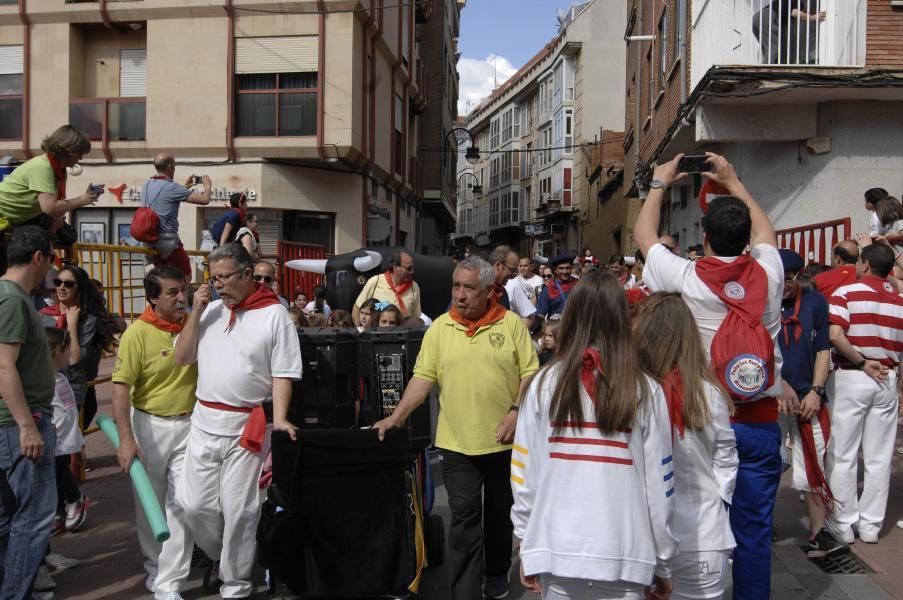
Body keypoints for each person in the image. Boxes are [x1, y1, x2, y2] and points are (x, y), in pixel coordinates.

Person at [634, 152, 784, 600]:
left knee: (699, 516)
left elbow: (644, 233)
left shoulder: (686, 277)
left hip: (701, 417)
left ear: (703, 235)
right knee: (755, 533)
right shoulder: (770, 274)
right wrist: (734, 181)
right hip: (760, 420)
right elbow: (767, 232)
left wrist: (660, 182)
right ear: (746, 239)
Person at [373, 256, 538, 600]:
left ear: (490, 290)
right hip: (456, 444)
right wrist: (396, 416)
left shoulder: (511, 325)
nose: (460, 295)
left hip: (505, 443)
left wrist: (515, 411)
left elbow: (530, 372)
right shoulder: (440, 328)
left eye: (469, 288)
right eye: (456, 286)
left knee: (498, 515)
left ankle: (495, 572)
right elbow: (422, 378)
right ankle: (464, 589)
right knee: (463, 518)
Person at [511, 272, 676, 600]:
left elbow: (523, 474)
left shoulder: (544, 383)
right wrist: (662, 560)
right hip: (625, 550)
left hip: (556, 546)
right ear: (621, 318)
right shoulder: (646, 388)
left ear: (571, 317)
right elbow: (661, 484)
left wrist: (527, 541)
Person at [173, 243, 302, 598]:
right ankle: (220, 557)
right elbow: (182, 359)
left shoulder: (274, 314)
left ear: (247, 275)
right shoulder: (210, 310)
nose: (218, 286)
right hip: (204, 421)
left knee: (241, 510)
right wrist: (196, 310)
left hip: (247, 425)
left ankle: (236, 584)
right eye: (214, 279)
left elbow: (283, 373)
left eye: (225, 278)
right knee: (194, 504)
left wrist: (281, 418)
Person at [633, 292, 737, 600]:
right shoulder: (709, 392)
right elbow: (727, 458)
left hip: (647, 537)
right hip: (704, 534)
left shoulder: (633, 393)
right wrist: (714, 498)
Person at [111, 266, 199, 598]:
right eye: (172, 292)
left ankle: (170, 580)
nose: (181, 297)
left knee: (184, 503)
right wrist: (126, 438)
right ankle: (155, 568)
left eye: (183, 290)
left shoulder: (194, 323)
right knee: (151, 505)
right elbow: (121, 388)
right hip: (149, 425)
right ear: (152, 298)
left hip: (189, 424)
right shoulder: (137, 334)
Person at [825, 244, 903, 545]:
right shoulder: (899, 300)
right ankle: (871, 526)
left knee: (842, 453)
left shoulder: (847, 294)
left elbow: (835, 336)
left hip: (853, 375)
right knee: (879, 457)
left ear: (866, 264)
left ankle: (843, 523)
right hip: (887, 377)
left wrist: (860, 360)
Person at [773, 250, 846, 556]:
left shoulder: (815, 302)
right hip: (772, 398)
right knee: (767, 464)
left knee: (814, 463)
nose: (786, 284)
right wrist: (778, 388)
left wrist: (816, 391)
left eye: (791, 278)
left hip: (807, 397)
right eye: (781, 278)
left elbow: (822, 349)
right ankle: (762, 523)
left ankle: (818, 532)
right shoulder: (761, 301)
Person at [0, 226, 58, 599]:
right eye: (52, 260)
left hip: (13, 424)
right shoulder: (13, 300)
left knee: (9, 518)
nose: (53, 270)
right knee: (33, 519)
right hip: (18, 424)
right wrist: (27, 425)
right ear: (38, 257)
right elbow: (4, 366)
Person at [41, 265, 119, 431]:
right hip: (43, 387)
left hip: (70, 389)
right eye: (58, 282)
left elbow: (74, 359)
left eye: (68, 284)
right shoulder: (41, 315)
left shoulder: (87, 319)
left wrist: (72, 325)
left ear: (79, 289)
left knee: (67, 441)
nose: (61, 287)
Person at [0, 125, 99, 239]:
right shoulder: (42, 167)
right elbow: (50, 208)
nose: (81, 158)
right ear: (69, 151)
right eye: (79, 153)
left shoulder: (58, 170)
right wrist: (81, 200)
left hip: (11, 221)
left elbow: (56, 208)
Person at [140, 153, 213, 278]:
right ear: (170, 166)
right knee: (185, 277)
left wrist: (184, 187)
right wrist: (207, 186)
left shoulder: (146, 184)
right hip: (168, 243)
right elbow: (204, 200)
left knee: (164, 278)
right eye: (174, 165)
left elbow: (165, 196)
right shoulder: (172, 187)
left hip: (149, 242)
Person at [45, 327, 88, 534]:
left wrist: (78, 443)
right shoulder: (44, 380)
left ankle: (70, 502)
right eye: (67, 348)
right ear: (56, 352)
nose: (70, 352)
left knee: (58, 471)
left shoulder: (60, 380)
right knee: (55, 473)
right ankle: (67, 503)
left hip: (60, 439)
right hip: (51, 438)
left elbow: (69, 413)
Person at [352, 251, 421, 325]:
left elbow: (415, 317)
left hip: (401, 334)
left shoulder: (414, 287)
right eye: (409, 268)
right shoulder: (375, 282)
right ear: (395, 268)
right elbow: (357, 308)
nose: (412, 271)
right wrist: (359, 332)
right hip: (376, 334)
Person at [489, 246, 534, 326]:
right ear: (498, 265)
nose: (514, 276)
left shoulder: (504, 291)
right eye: (512, 270)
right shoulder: (477, 289)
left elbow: (529, 317)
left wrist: (514, 336)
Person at [535, 255, 577, 320]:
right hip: (556, 327)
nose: (564, 271)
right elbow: (541, 312)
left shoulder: (580, 285)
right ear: (555, 270)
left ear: (571, 269)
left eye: (567, 268)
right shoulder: (548, 288)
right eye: (561, 268)